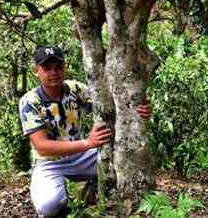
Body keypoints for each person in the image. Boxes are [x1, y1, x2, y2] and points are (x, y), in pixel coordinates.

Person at [19, 46, 152, 217]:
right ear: (36, 71)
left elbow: (111, 104)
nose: (54, 72)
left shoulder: (75, 89)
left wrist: (139, 107)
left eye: (58, 67)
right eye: (47, 68)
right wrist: (87, 143)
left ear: (64, 68)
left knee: (123, 160)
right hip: (49, 163)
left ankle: (93, 189)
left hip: (83, 156)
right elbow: (42, 146)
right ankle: (71, 198)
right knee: (48, 207)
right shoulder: (30, 101)